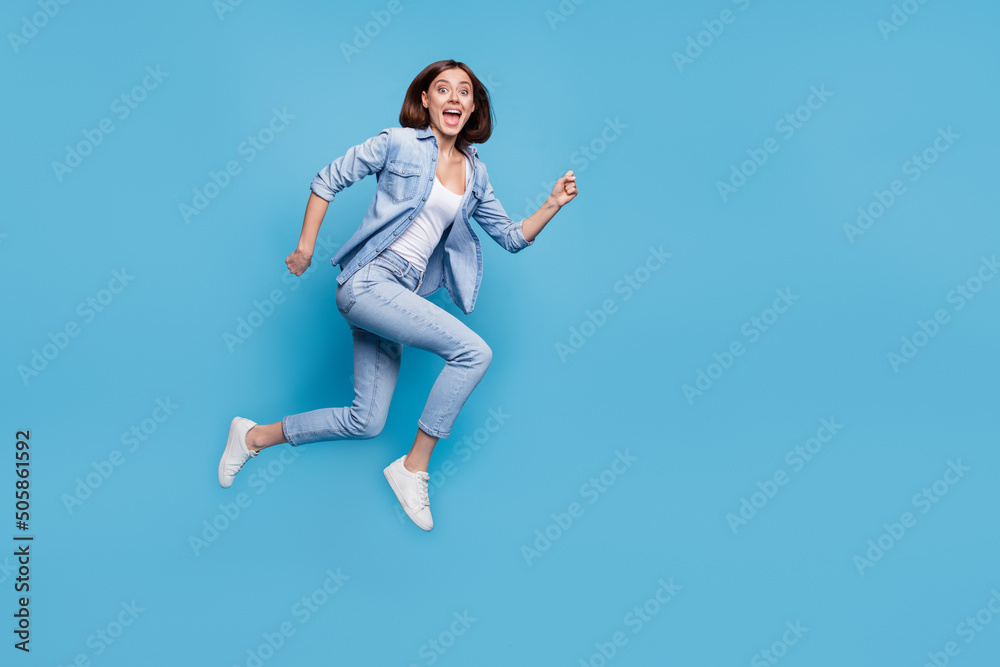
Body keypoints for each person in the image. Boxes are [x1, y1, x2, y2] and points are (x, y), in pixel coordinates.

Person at [217, 59, 578, 531]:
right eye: (442, 89)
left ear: (473, 107)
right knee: (473, 352)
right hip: (369, 282)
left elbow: (510, 236)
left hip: (398, 293)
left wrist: (551, 205)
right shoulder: (398, 143)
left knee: (365, 421)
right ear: (424, 100)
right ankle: (414, 467)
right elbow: (328, 179)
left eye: (463, 91)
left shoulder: (476, 174)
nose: (453, 97)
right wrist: (305, 248)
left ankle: (252, 436)